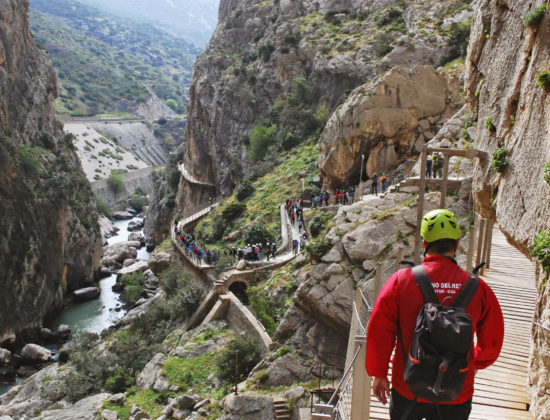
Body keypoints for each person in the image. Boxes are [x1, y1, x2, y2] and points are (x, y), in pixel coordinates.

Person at [366, 209, 504, 420]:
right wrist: (474, 362)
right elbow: (493, 340)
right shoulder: (479, 288)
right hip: (456, 389)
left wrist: (379, 373)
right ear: (456, 246)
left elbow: (379, 331)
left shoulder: (401, 281)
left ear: (424, 244)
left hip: (408, 386)